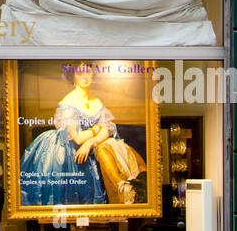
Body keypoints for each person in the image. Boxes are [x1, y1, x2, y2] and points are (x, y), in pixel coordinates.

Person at [19, 64, 145, 207]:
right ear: (73, 76)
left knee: (110, 153)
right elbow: (77, 137)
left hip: (89, 149)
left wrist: (90, 142)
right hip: (68, 152)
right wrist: (94, 130)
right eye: (80, 73)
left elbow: (106, 130)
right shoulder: (68, 102)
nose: (85, 77)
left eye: (88, 72)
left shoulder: (97, 102)